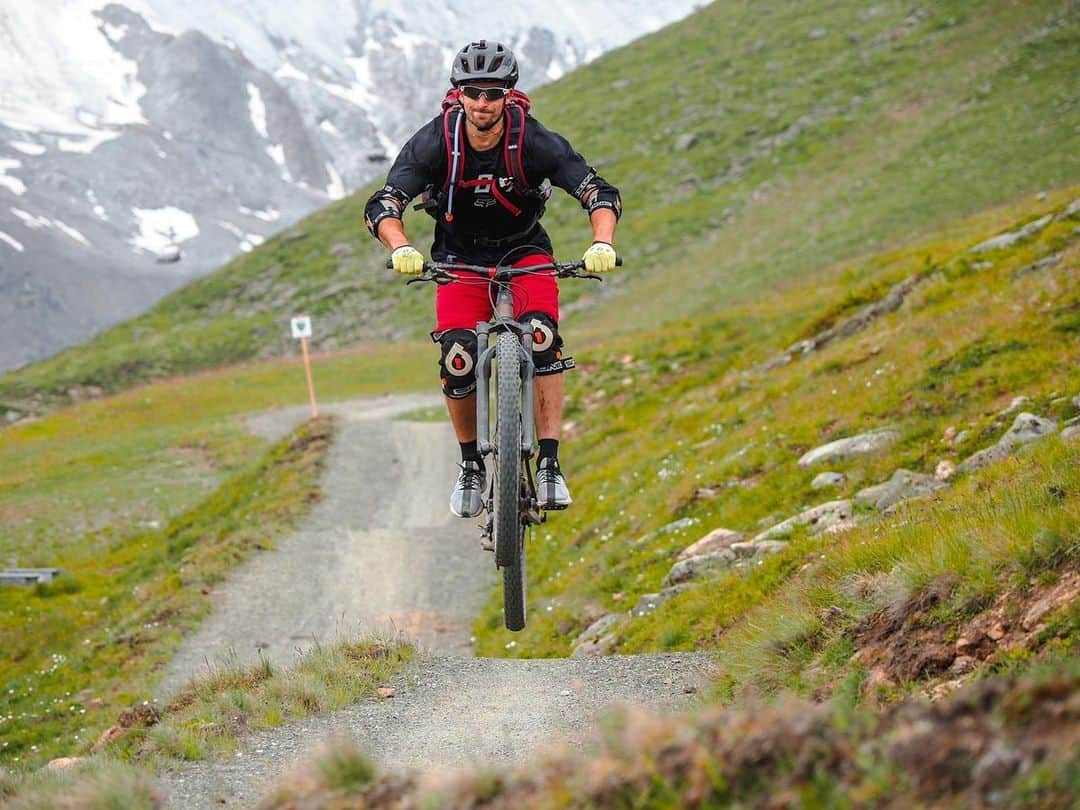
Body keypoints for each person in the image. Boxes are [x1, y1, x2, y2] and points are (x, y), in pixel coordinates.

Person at [365, 40, 621, 518]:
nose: (482, 103)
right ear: (457, 93)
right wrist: (400, 246)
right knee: (459, 358)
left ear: (509, 94)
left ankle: (548, 464)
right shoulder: (436, 140)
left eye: (492, 92)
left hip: (525, 253)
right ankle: (469, 466)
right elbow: (384, 204)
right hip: (459, 259)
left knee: (543, 340)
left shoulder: (533, 140)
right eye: (472, 92)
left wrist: (601, 241)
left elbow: (597, 191)